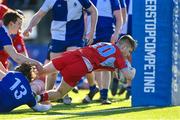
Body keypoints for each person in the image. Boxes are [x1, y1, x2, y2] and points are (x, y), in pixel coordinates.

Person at [23, 0, 98, 104]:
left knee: (71, 66)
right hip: (57, 38)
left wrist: (91, 32)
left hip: (75, 38)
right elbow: (39, 14)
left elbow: (94, 11)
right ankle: (46, 98)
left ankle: (65, 94)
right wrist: (29, 27)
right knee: (52, 71)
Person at [36, 35, 137, 104]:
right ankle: (37, 98)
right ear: (123, 47)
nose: (128, 55)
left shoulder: (106, 44)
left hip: (73, 55)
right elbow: (129, 75)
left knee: (41, 71)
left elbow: (98, 64)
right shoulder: (118, 55)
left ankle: (22, 76)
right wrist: (133, 70)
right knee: (59, 93)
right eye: (129, 51)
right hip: (80, 67)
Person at [83, 0, 123, 104]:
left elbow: (119, 18)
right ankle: (97, 89)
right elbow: (85, 16)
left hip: (107, 34)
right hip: (91, 35)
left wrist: (117, 33)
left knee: (106, 65)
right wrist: (84, 32)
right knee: (91, 65)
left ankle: (104, 96)